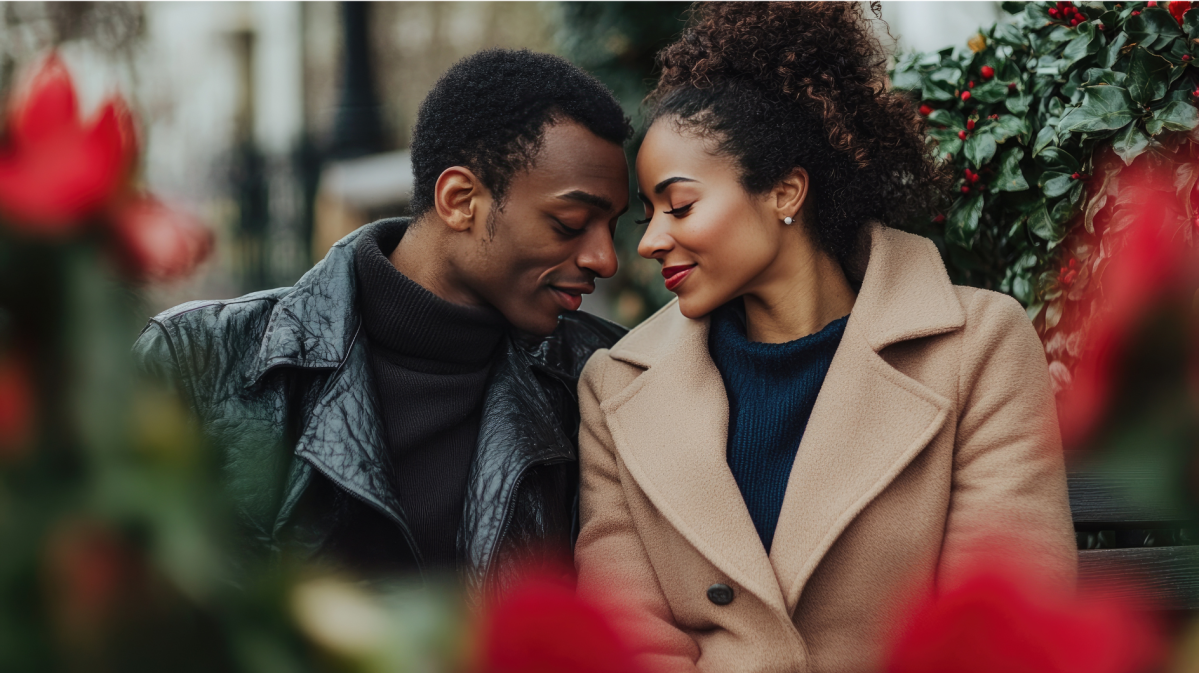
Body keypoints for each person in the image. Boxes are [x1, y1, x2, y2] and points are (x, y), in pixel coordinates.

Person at [573, 4, 1077, 672]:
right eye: (649, 215)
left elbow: (1002, 627)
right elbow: (626, 640)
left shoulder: (976, 347)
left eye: (680, 206)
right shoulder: (616, 387)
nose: (650, 241)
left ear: (785, 192)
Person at [133, 49, 631, 596]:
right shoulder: (196, 360)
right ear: (460, 200)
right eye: (570, 223)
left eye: (611, 227)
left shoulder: (606, 378)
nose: (605, 260)